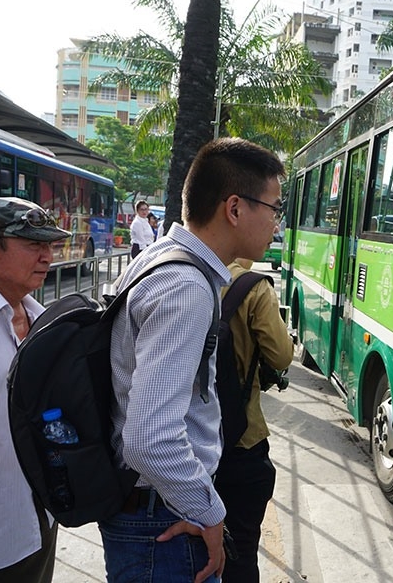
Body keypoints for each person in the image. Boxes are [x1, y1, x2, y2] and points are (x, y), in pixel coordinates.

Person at [100, 138, 286, 583]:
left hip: (154, 512)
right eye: (274, 207)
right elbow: (148, 438)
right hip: (164, 523)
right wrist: (210, 512)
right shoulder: (185, 287)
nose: (278, 222)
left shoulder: (159, 260)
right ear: (235, 208)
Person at [0, 197, 71, 582]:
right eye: (33, 245)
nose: (47, 256)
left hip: (38, 517)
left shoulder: (40, 317)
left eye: (49, 245)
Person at [214, 257, 292, 582]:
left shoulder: (176, 270)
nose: (274, 224)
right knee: (240, 551)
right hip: (241, 440)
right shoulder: (253, 287)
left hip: (184, 449)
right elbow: (281, 355)